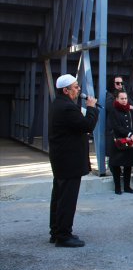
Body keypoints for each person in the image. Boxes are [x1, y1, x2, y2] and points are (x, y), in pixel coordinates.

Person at [48, 74, 99, 247]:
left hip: (62, 159)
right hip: (69, 160)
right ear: (66, 90)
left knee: (59, 197)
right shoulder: (67, 108)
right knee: (67, 199)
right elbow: (87, 126)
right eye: (75, 87)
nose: (78, 90)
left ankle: (56, 231)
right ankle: (63, 235)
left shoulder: (59, 104)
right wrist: (92, 108)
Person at [109, 90, 133, 194]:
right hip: (118, 141)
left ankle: (127, 187)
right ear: (117, 99)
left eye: (125, 98)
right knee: (116, 165)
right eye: (122, 98)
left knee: (128, 164)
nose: (124, 100)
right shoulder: (113, 111)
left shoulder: (130, 111)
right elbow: (116, 127)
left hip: (129, 142)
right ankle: (117, 187)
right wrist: (129, 134)